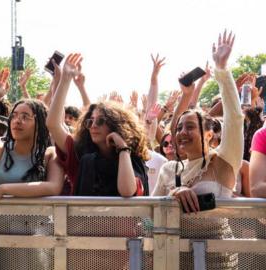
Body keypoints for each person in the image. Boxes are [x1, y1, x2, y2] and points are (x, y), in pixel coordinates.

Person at [152, 30, 242, 270]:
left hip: (216, 261)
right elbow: (148, 219)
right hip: (173, 259)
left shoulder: (222, 162)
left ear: (209, 134)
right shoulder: (168, 169)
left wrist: (222, 71)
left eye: (190, 127)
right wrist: (170, 197)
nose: (181, 132)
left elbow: (234, 117)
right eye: (179, 127)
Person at [46, 54, 149, 196]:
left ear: (116, 125)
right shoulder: (81, 155)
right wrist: (65, 79)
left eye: (100, 121)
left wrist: (123, 149)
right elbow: (53, 124)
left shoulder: (133, 159)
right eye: (90, 121)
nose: (93, 125)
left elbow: (127, 191)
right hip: (83, 219)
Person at [0, 69, 64, 211]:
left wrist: (4, 189)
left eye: (25, 117)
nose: (17, 121)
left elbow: (53, 187)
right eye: (15, 115)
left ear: (41, 124)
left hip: (35, 231)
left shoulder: (50, 154)